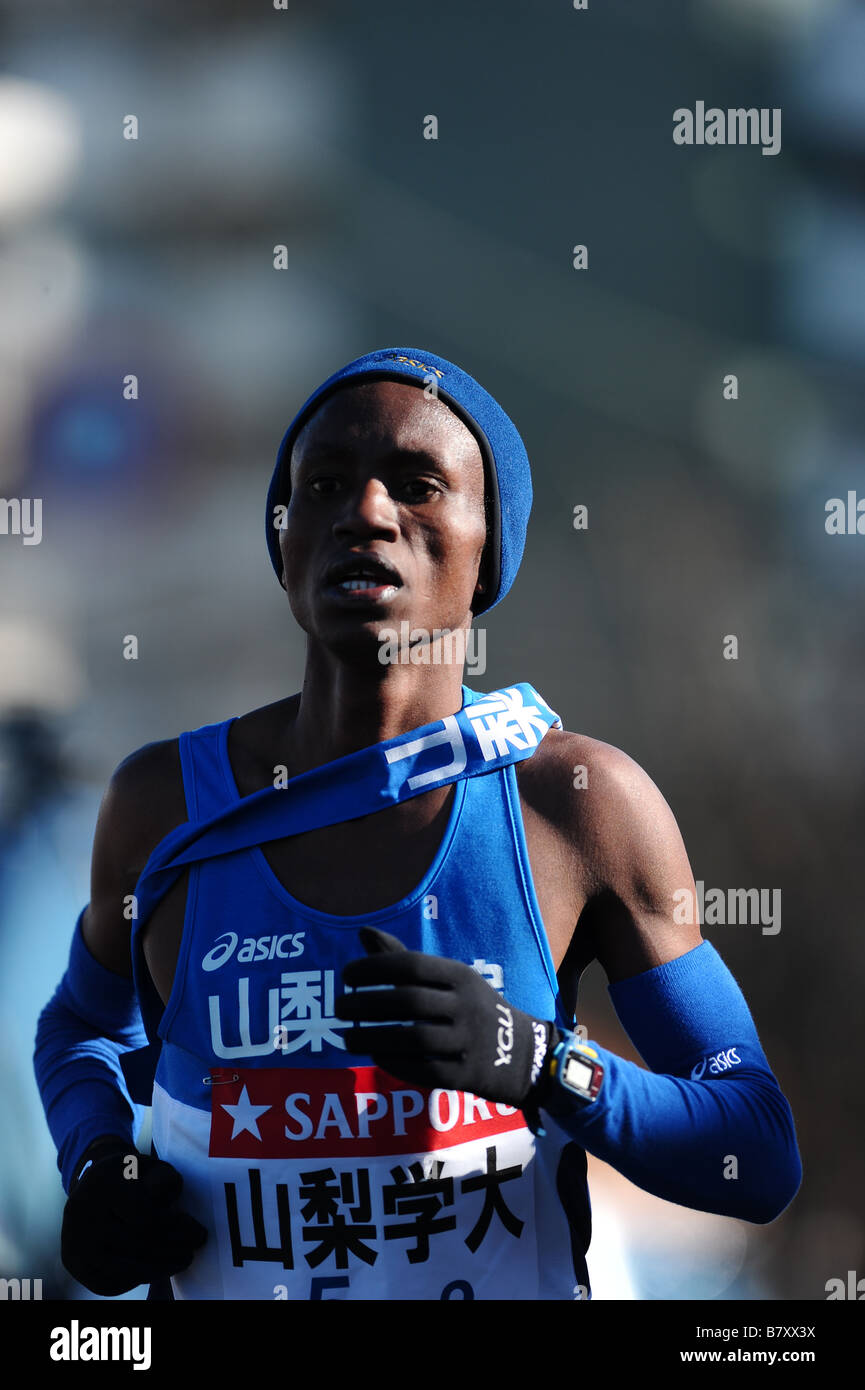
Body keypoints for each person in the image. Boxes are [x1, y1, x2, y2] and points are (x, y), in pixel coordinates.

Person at [34, 346, 801, 1301]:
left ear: (489, 549)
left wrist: (543, 1063)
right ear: (283, 544)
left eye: (417, 484)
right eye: (322, 486)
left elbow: (755, 1150)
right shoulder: (162, 805)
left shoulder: (575, 804)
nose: (363, 514)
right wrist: (97, 1160)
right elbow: (79, 1026)